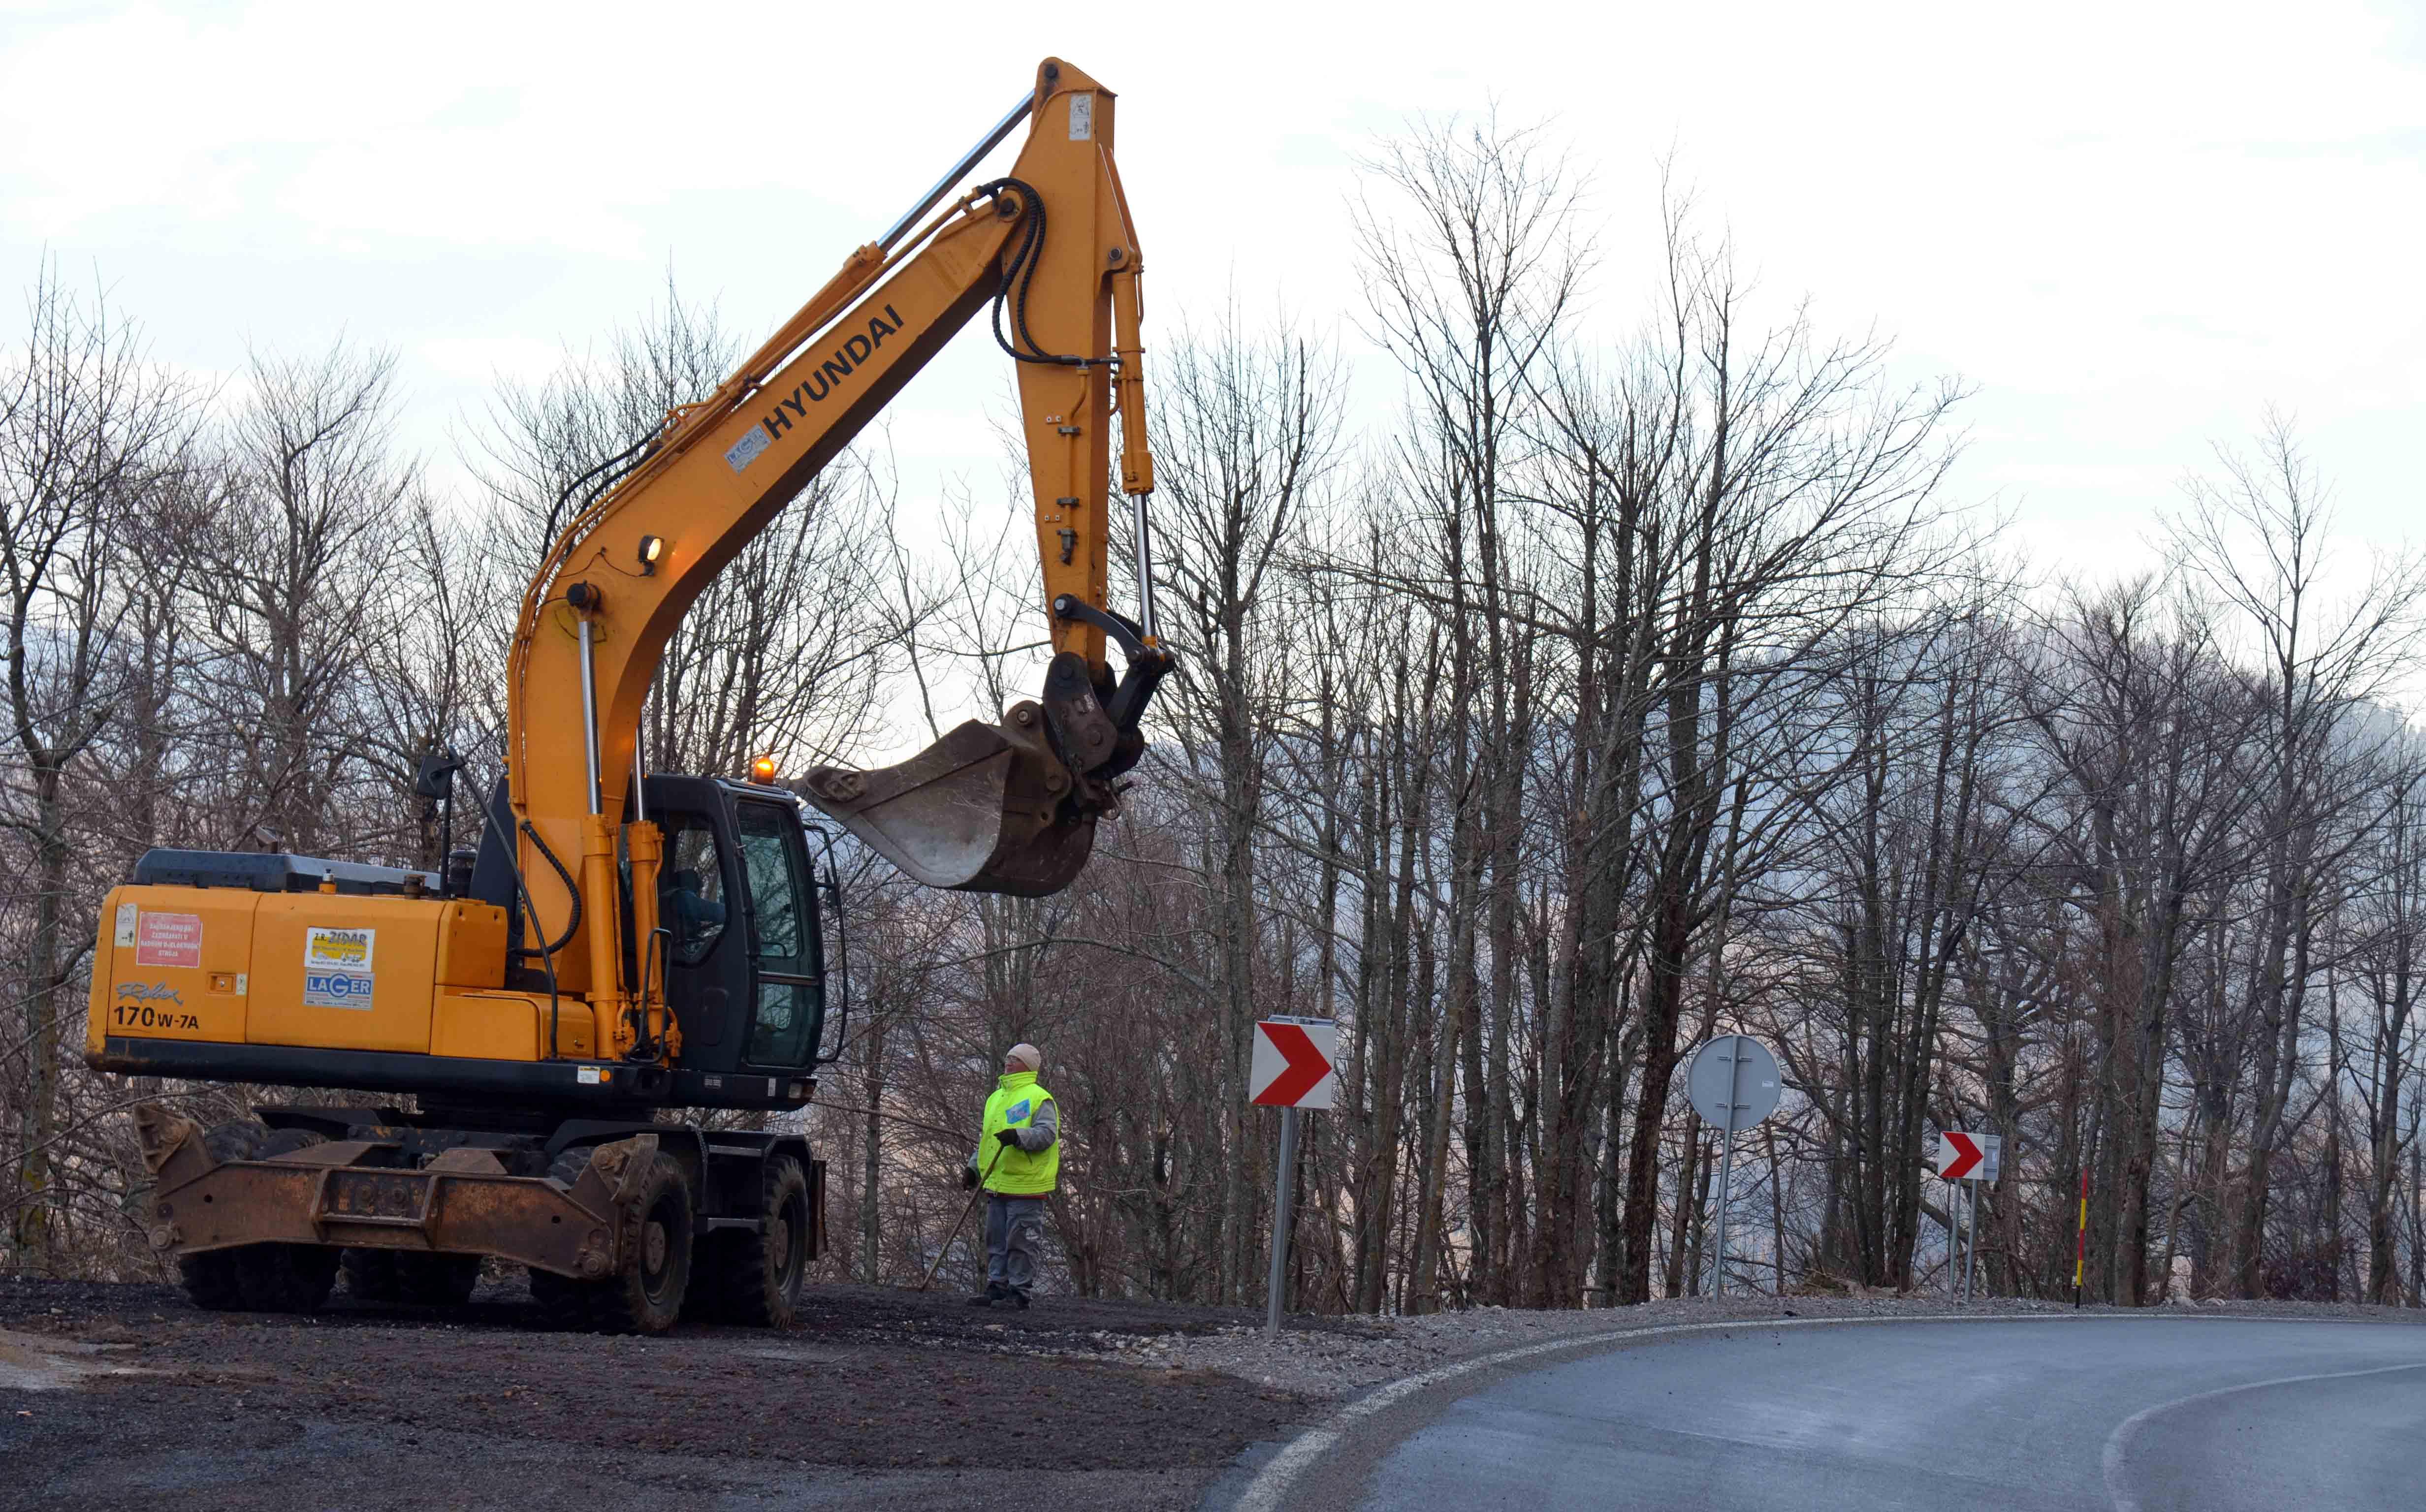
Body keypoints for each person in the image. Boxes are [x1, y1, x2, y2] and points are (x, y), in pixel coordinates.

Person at [964, 1041, 1056, 1308]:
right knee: (996, 1239)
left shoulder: (1040, 1098)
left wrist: (1019, 1136)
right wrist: (974, 1168)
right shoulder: (996, 1098)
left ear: (1028, 1066)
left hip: (1026, 1185)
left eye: (1015, 1059)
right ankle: (997, 1288)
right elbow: (987, 1140)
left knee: (1021, 1242)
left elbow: (1047, 1134)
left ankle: (1019, 1294)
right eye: (1007, 1058)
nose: (1008, 1062)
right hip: (997, 1182)